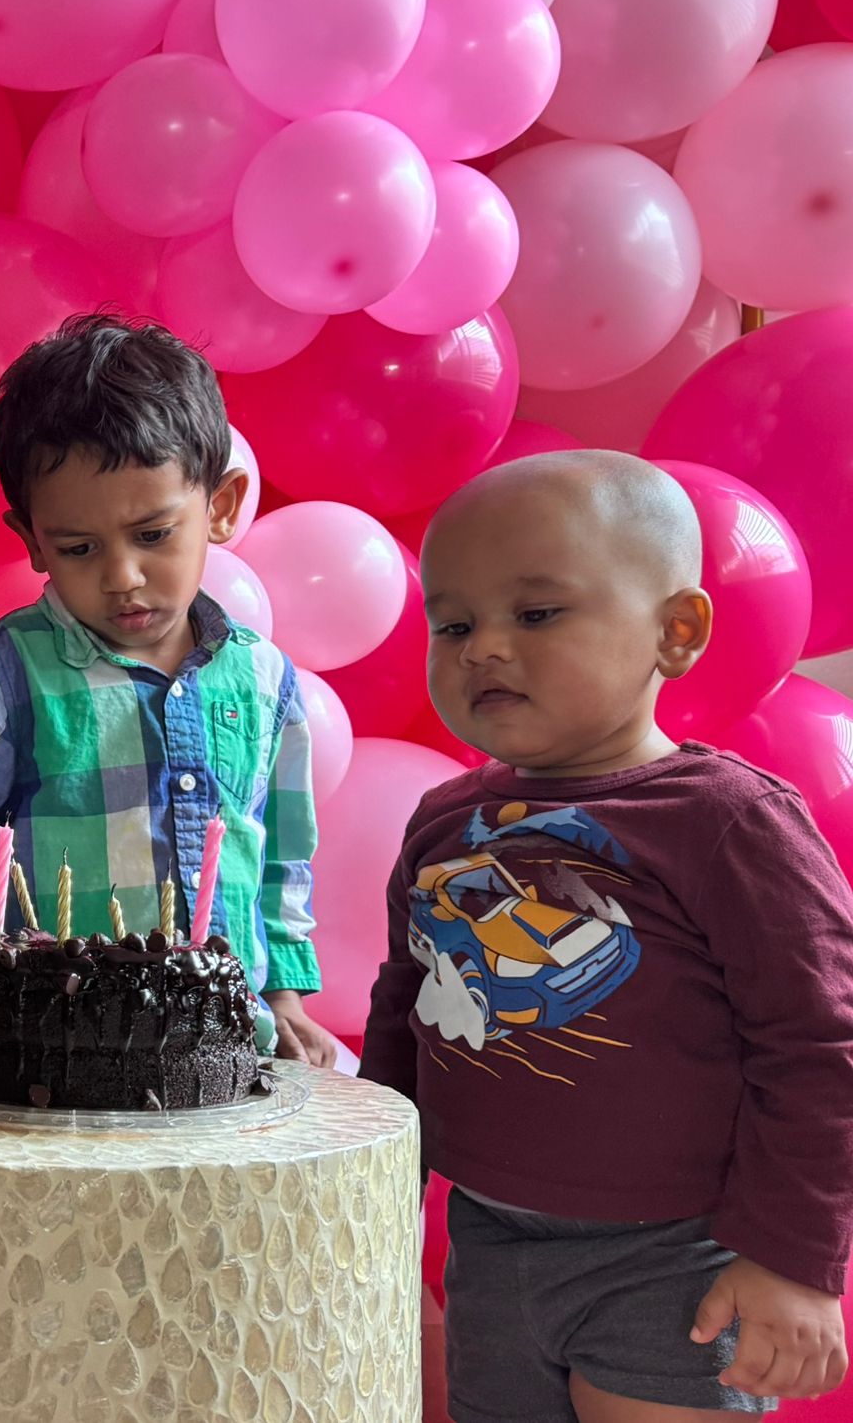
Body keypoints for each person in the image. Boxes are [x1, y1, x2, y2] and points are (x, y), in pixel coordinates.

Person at [361, 450, 853, 1418]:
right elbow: (402, 1010)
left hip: (675, 1261)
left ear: (674, 632)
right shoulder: (438, 823)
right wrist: (368, 1193)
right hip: (489, 1247)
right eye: (452, 623)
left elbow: (818, 1047)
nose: (482, 648)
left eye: (535, 614)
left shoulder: (725, 819)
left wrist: (794, 1262)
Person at [0, 313, 335, 1062]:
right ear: (32, 539)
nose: (122, 576)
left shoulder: (267, 679)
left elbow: (282, 859)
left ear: (224, 504)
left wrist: (284, 994)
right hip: (55, 1053)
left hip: (237, 1051)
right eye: (78, 547)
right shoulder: (7, 673)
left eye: (153, 534)